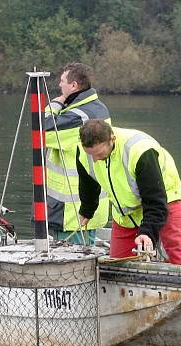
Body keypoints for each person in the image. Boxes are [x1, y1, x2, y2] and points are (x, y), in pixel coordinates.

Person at [76, 119, 181, 266]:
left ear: (111, 139)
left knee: (176, 247)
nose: (95, 159)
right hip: (126, 210)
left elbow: (155, 201)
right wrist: (87, 210)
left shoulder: (140, 151)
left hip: (163, 199)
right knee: (117, 263)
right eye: (91, 154)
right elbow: (88, 183)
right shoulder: (84, 152)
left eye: (99, 154)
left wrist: (147, 232)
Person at [43, 63, 110, 244]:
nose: (59, 85)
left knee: (70, 262)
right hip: (88, 206)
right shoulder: (96, 108)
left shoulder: (79, 116)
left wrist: (55, 104)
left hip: (72, 210)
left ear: (73, 86)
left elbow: (42, 132)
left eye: (63, 81)